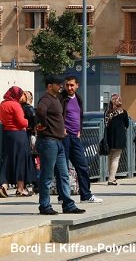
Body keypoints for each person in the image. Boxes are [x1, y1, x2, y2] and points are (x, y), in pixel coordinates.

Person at [36, 75, 85, 215]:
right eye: (57, 84)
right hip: (49, 141)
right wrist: (44, 125)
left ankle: (68, 204)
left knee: (63, 174)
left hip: (58, 141)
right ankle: (44, 206)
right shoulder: (46, 99)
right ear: (49, 86)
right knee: (47, 175)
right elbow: (40, 111)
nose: (61, 87)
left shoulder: (56, 99)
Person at [58, 75, 103, 203]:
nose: (69, 87)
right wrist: (62, 129)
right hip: (64, 137)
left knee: (82, 165)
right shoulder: (61, 98)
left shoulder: (78, 98)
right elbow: (57, 115)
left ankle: (86, 195)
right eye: (67, 85)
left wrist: (79, 130)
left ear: (77, 85)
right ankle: (63, 196)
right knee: (63, 168)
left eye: (72, 85)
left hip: (75, 137)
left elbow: (80, 116)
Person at [0, 86, 36, 198]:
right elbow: (22, 122)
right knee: (21, 160)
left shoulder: (2, 104)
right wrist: (26, 122)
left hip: (7, 133)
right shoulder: (16, 105)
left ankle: (3, 185)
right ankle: (20, 188)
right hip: (19, 135)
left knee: (8, 159)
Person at [105, 93, 129, 185]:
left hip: (109, 137)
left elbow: (106, 125)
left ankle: (110, 176)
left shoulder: (108, 113)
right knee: (116, 158)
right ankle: (111, 178)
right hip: (120, 137)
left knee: (110, 158)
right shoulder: (123, 112)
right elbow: (127, 124)